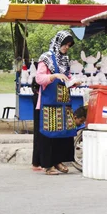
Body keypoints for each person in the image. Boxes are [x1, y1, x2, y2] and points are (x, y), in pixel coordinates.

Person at [33, 30, 78, 175]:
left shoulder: (65, 60)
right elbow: (39, 79)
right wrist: (53, 76)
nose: (66, 48)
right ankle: (48, 165)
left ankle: (59, 162)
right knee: (48, 135)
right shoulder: (45, 58)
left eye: (69, 45)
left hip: (63, 103)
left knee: (62, 134)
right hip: (48, 103)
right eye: (65, 44)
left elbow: (67, 79)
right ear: (58, 42)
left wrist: (74, 82)